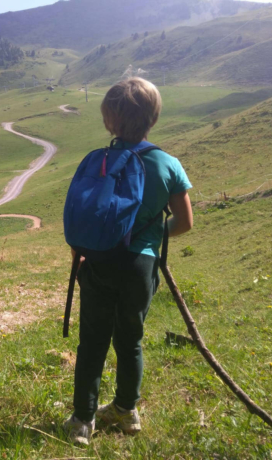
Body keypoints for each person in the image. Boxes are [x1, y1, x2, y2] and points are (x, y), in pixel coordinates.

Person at [64, 78, 194, 445]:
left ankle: (82, 422)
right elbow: (185, 223)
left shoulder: (98, 161)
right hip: (141, 268)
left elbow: (83, 218)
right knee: (130, 340)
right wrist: (151, 239)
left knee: (91, 342)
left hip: (98, 263)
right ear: (153, 118)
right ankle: (125, 411)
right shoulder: (168, 164)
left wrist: (87, 253)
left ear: (109, 121)